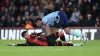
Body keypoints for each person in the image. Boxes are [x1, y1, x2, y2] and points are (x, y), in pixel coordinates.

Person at [8, 31, 82, 46]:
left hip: (47, 37)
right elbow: (22, 45)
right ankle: (75, 45)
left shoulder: (32, 35)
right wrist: (14, 44)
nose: (27, 35)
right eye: (26, 35)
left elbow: (38, 33)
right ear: (24, 37)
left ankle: (67, 40)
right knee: (62, 44)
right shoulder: (28, 42)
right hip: (48, 43)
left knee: (61, 33)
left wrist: (43, 32)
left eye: (27, 33)